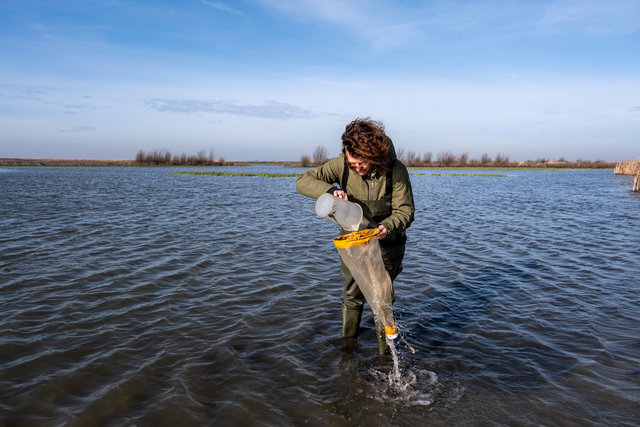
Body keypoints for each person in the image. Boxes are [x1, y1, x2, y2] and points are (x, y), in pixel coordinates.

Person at [296, 118, 415, 354]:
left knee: (381, 301)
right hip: (352, 245)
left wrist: (387, 227)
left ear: (375, 155)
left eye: (362, 163)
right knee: (352, 295)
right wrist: (330, 190)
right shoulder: (342, 163)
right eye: (352, 164)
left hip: (386, 244)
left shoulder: (396, 170)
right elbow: (303, 181)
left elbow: (406, 211)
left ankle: (385, 356)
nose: (357, 168)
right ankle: (347, 350)